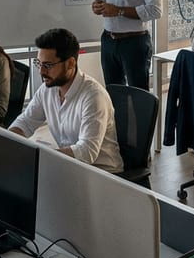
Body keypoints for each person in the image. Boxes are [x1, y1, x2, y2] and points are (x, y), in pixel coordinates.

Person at [10, 28, 123, 173]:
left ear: (70, 63)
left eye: (48, 65)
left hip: (102, 174)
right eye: (39, 63)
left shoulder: (93, 96)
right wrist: (9, 142)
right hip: (70, 168)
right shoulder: (48, 89)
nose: (41, 71)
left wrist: (44, 158)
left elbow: (87, 151)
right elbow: (25, 122)